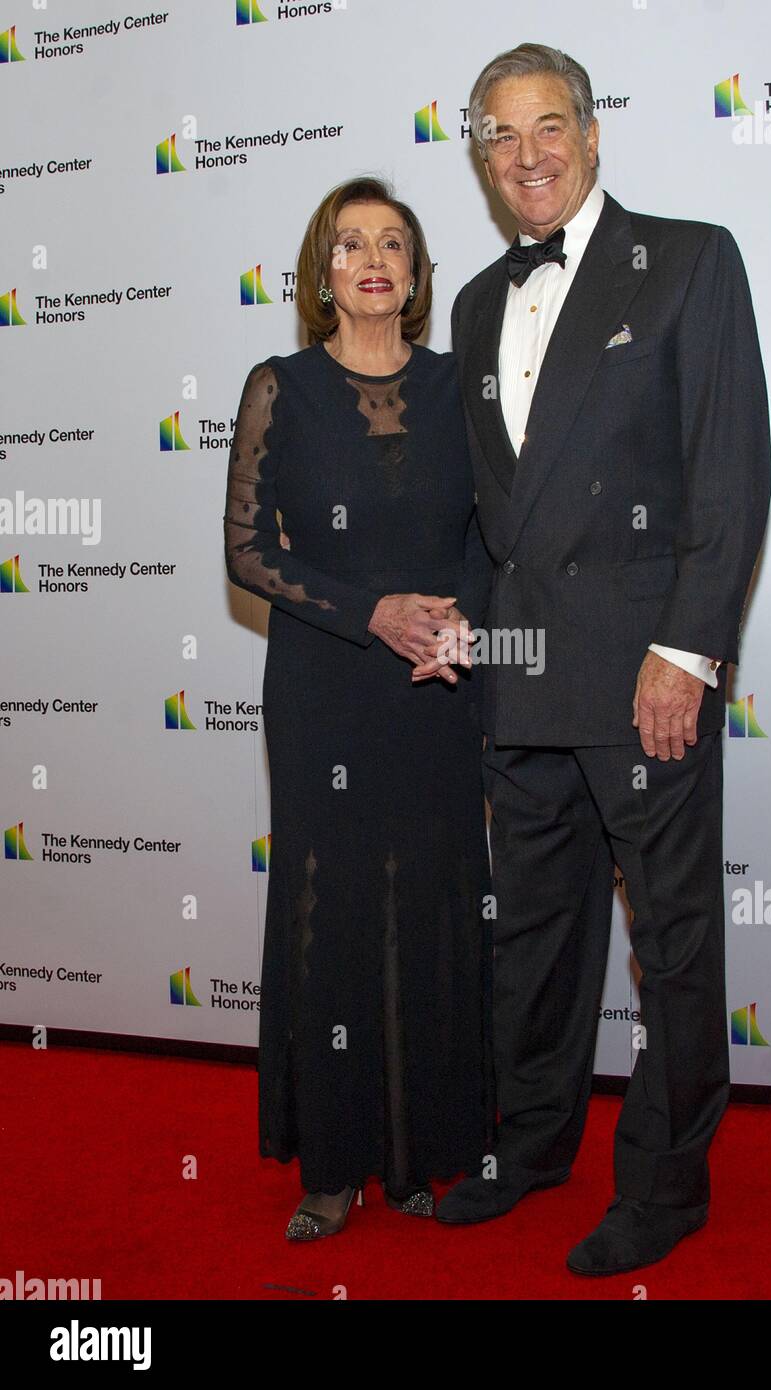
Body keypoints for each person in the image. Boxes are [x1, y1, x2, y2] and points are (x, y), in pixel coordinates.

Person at [431, 43, 771, 1275]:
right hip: (519, 677)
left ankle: (668, 1182)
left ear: (589, 130)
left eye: (546, 125)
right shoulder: (473, 302)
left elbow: (727, 472)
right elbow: (491, 510)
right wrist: (468, 643)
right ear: (477, 155)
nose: (526, 154)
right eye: (497, 135)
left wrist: (685, 652)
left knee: (672, 941)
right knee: (533, 931)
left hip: (644, 679)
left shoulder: (687, 259)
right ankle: (527, 1149)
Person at [223, 176, 495, 1241]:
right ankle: (333, 1162)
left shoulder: (457, 387)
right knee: (330, 909)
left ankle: (425, 1149)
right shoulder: (278, 387)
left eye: (394, 243)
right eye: (350, 244)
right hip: (324, 689)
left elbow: (489, 532)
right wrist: (366, 612)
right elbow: (248, 551)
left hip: (437, 687)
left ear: (418, 275)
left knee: (432, 903)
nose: (373, 258)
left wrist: (461, 623)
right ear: (321, 272)